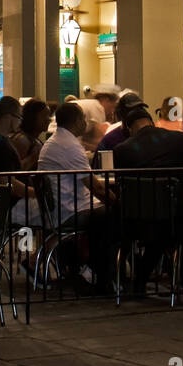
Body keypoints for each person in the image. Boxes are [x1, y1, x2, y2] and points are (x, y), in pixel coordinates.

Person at [113, 104, 183, 297]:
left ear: (128, 128)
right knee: (173, 230)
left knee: (156, 234)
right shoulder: (177, 139)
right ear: (151, 121)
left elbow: (122, 187)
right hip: (179, 217)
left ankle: (140, 280)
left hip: (139, 218)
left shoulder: (122, 149)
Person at [36, 101, 116, 287]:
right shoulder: (69, 146)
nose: (85, 124)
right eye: (83, 119)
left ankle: (91, 268)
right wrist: (118, 202)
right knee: (113, 215)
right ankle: (100, 273)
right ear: (76, 121)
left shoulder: (54, 142)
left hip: (60, 207)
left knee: (106, 214)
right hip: (70, 210)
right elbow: (95, 187)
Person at [12, 99, 52, 171]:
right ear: (32, 117)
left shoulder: (34, 139)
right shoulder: (22, 140)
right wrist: (32, 157)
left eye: (49, 115)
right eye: (44, 115)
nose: (49, 119)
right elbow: (15, 170)